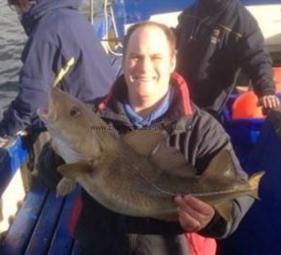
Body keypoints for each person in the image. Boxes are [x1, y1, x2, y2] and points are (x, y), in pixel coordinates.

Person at [71, 21, 254, 255]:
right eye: (135, 56)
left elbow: (241, 191)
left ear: (172, 62)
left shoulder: (202, 130)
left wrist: (212, 219)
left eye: (156, 57)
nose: (144, 67)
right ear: (123, 61)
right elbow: (50, 174)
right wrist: (58, 151)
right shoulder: (92, 118)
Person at [0, 0, 115, 148]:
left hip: (92, 126)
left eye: (16, 7)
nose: (18, 13)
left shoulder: (45, 33)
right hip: (109, 117)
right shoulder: (73, 17)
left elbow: (32, 98)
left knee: (47, 165)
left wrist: (2, 133)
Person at [175, 0, 280, 118]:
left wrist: (266, 91)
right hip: (179, 95)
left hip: (208, 107)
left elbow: (258, 58)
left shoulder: (242, 21)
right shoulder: (191, 11)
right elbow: (173, 40)